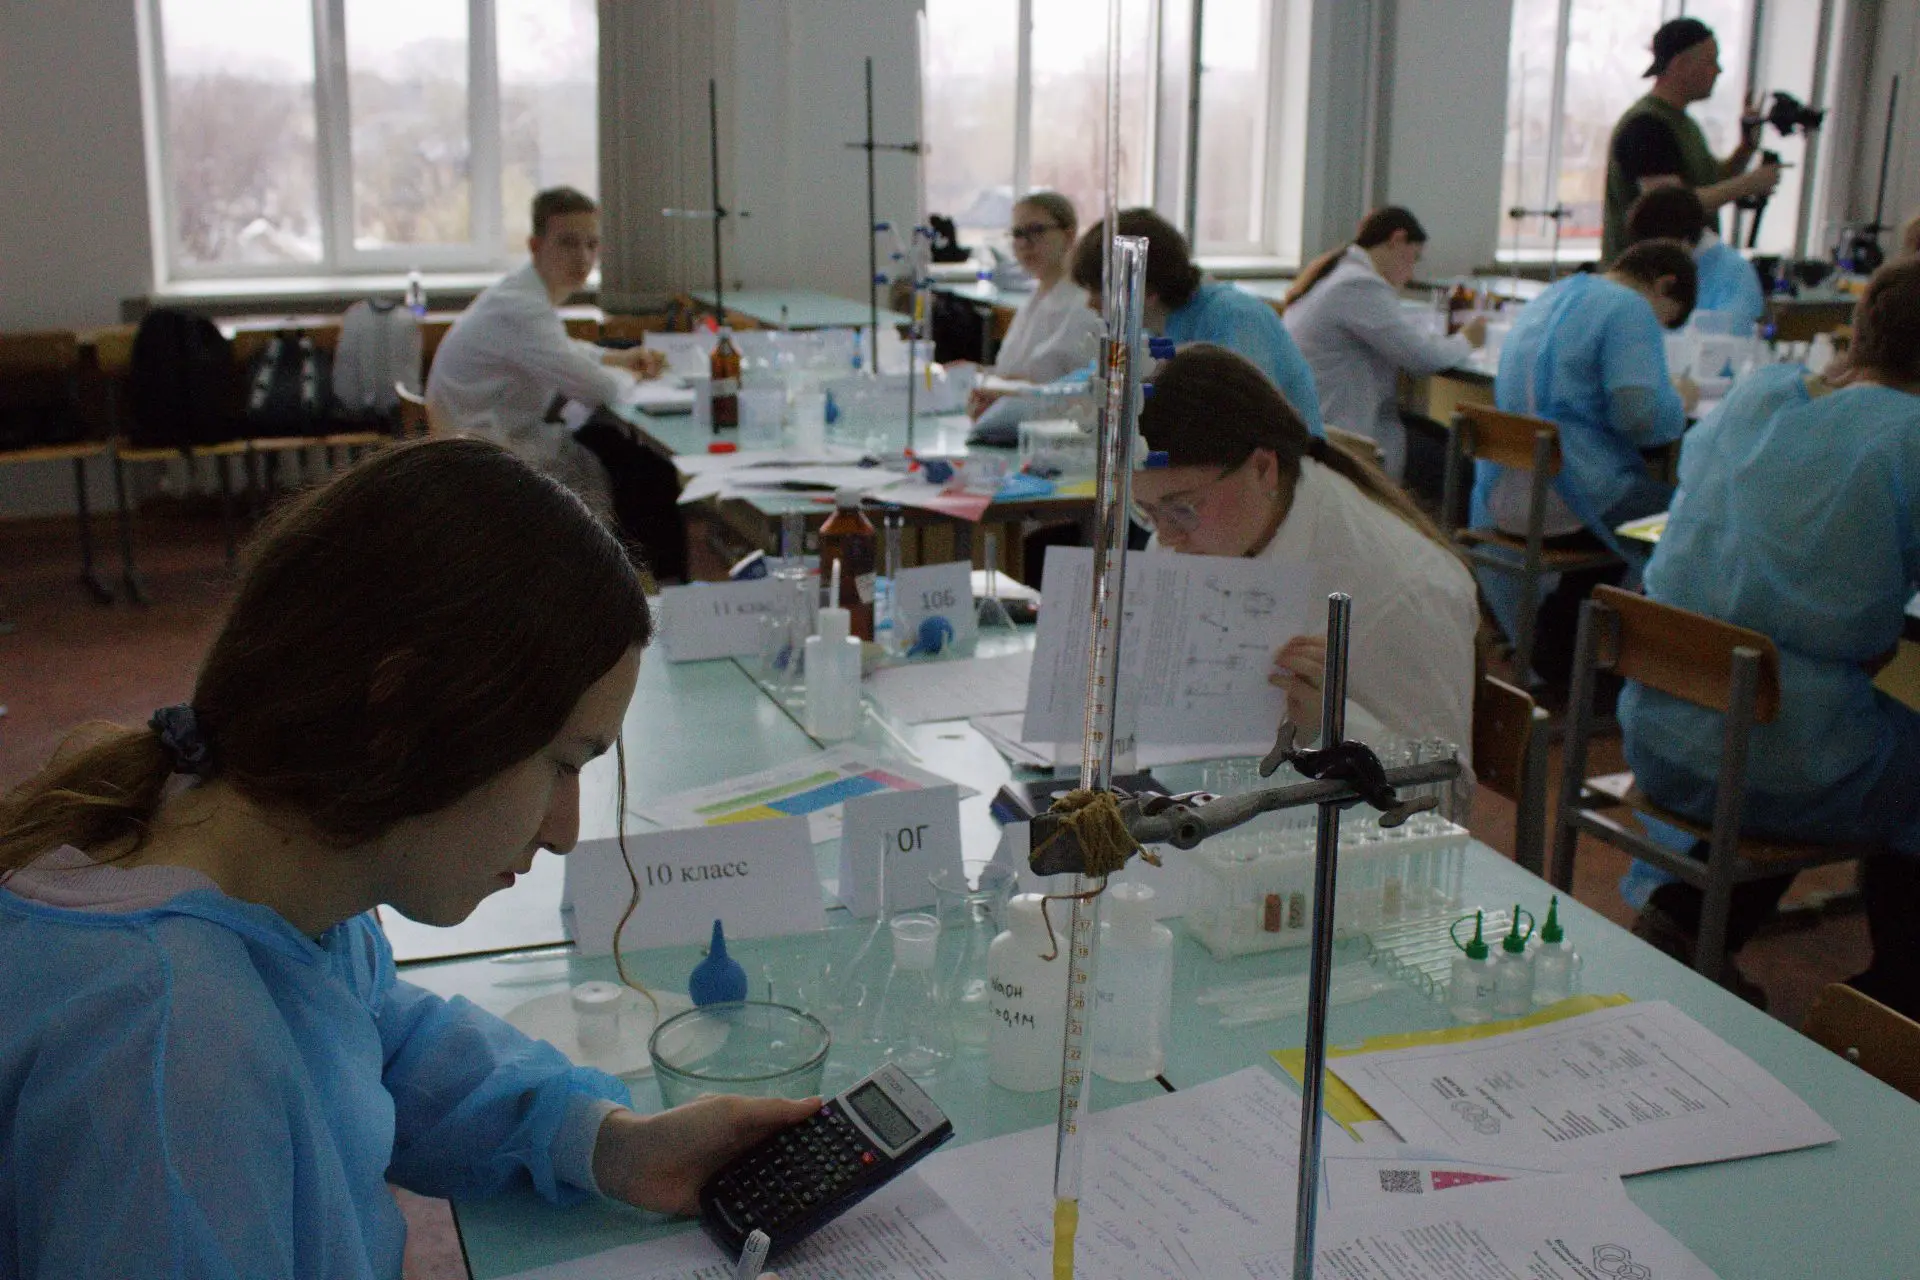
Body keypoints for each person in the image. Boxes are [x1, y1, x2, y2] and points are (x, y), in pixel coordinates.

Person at [0, 439, 805, 1278]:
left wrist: (609, 1145)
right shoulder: (173, 1056)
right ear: (404, 713)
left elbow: (378, 1038)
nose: (565, 831)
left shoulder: (269, 867)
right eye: (561, 765)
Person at [1617, 259, 1920, 1016]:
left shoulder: (1759, 395)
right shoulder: (1909, 440)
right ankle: (1897, 995)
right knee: (1855, 745)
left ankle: (1686, 919)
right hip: (1783, 757)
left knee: (1801, 711)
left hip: (1663, 733)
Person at [1132, 344, 1477, 754]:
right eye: (1147, 511)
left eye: (1183, 509)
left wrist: (1333, 726)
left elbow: (1444, 784)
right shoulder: (1216, 529)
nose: (1166, 538)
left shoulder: (1407, 591)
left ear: (1263, 469)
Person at [428, 186, 689, 581]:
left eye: (591, 244)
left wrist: (617, 358)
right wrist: (631, 372)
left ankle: (641, 582)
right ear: (536, 246)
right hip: (491, 456)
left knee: (623, 453)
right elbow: (603, 389)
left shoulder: (520, 295)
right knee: (643, 469)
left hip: (482, 440)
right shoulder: (521, 308)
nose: (582, 257)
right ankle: (637, 586)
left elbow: (562, 350)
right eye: (568, 243)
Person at [1471, 241, 1698, 691]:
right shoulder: (1629, 308)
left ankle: (1566, 646)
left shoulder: (1553, 296)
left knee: (1648, 517)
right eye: (1664, 321)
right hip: (1575, 495)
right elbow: (1638, 417)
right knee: (1694, 521)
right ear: (1664, 285)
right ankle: (1649, 671)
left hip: (1506, 493)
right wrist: (1678, 401)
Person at [1070, 208, 1324, 437]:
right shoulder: (1154, 327)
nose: (1091, 304)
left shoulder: (1235, 318)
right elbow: (1096, 381)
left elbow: (1240, 424)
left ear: (1146, 290)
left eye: (1099, 291)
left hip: (1281, 467)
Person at [1281, 207, 1483, 483]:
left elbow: (1403, 337)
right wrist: (1467, 340)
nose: (1410, 273)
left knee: (1443, 438)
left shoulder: (1336, 273)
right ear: (1397, 240)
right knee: (1465, 473)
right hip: (1344, 437)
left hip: (1322, 423)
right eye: (1414, 258)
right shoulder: (1359, 284)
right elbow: (1423, 357)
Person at [1602, 17, 1780, 265]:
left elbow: (1708, 183)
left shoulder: (1684, 124)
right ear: (1681, 65)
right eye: (1710, 61)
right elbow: (1670, 208)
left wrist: (1746, 147)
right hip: (1643, 277)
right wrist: (1749, 184)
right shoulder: (1646, 127)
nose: (1718, 70)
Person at [964, 191, 1103, 417]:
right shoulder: (1035, 299)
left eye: (1037, 231)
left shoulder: (1086, 304)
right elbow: (1010, 371)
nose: (1024, 243)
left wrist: (1007, 389)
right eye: (1017, 234)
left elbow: (1077, 390)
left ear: (1069, 236)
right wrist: (971, 374)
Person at [1625, 184, 1766, 330]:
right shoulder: (1652, 266)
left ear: (1683, 242)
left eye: (1658, 252)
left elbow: (1731, 333)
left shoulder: (1734, 273)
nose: (1654, 260)